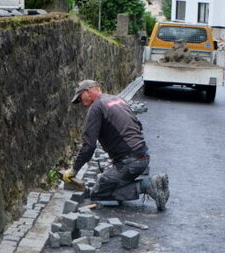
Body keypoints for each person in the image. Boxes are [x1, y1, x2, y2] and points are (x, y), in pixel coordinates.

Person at [62, 79, 170, 210]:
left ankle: (147, 185)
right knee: (109, 179)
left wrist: (74, 169)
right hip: (143, 157)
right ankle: (143, 182)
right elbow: (138, 126)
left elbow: (89, 146)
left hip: (130, 162)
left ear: (88, 91)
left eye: (80, 97)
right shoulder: (117, 100)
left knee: (98, 193)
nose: (80, 103)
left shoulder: (96, 108)